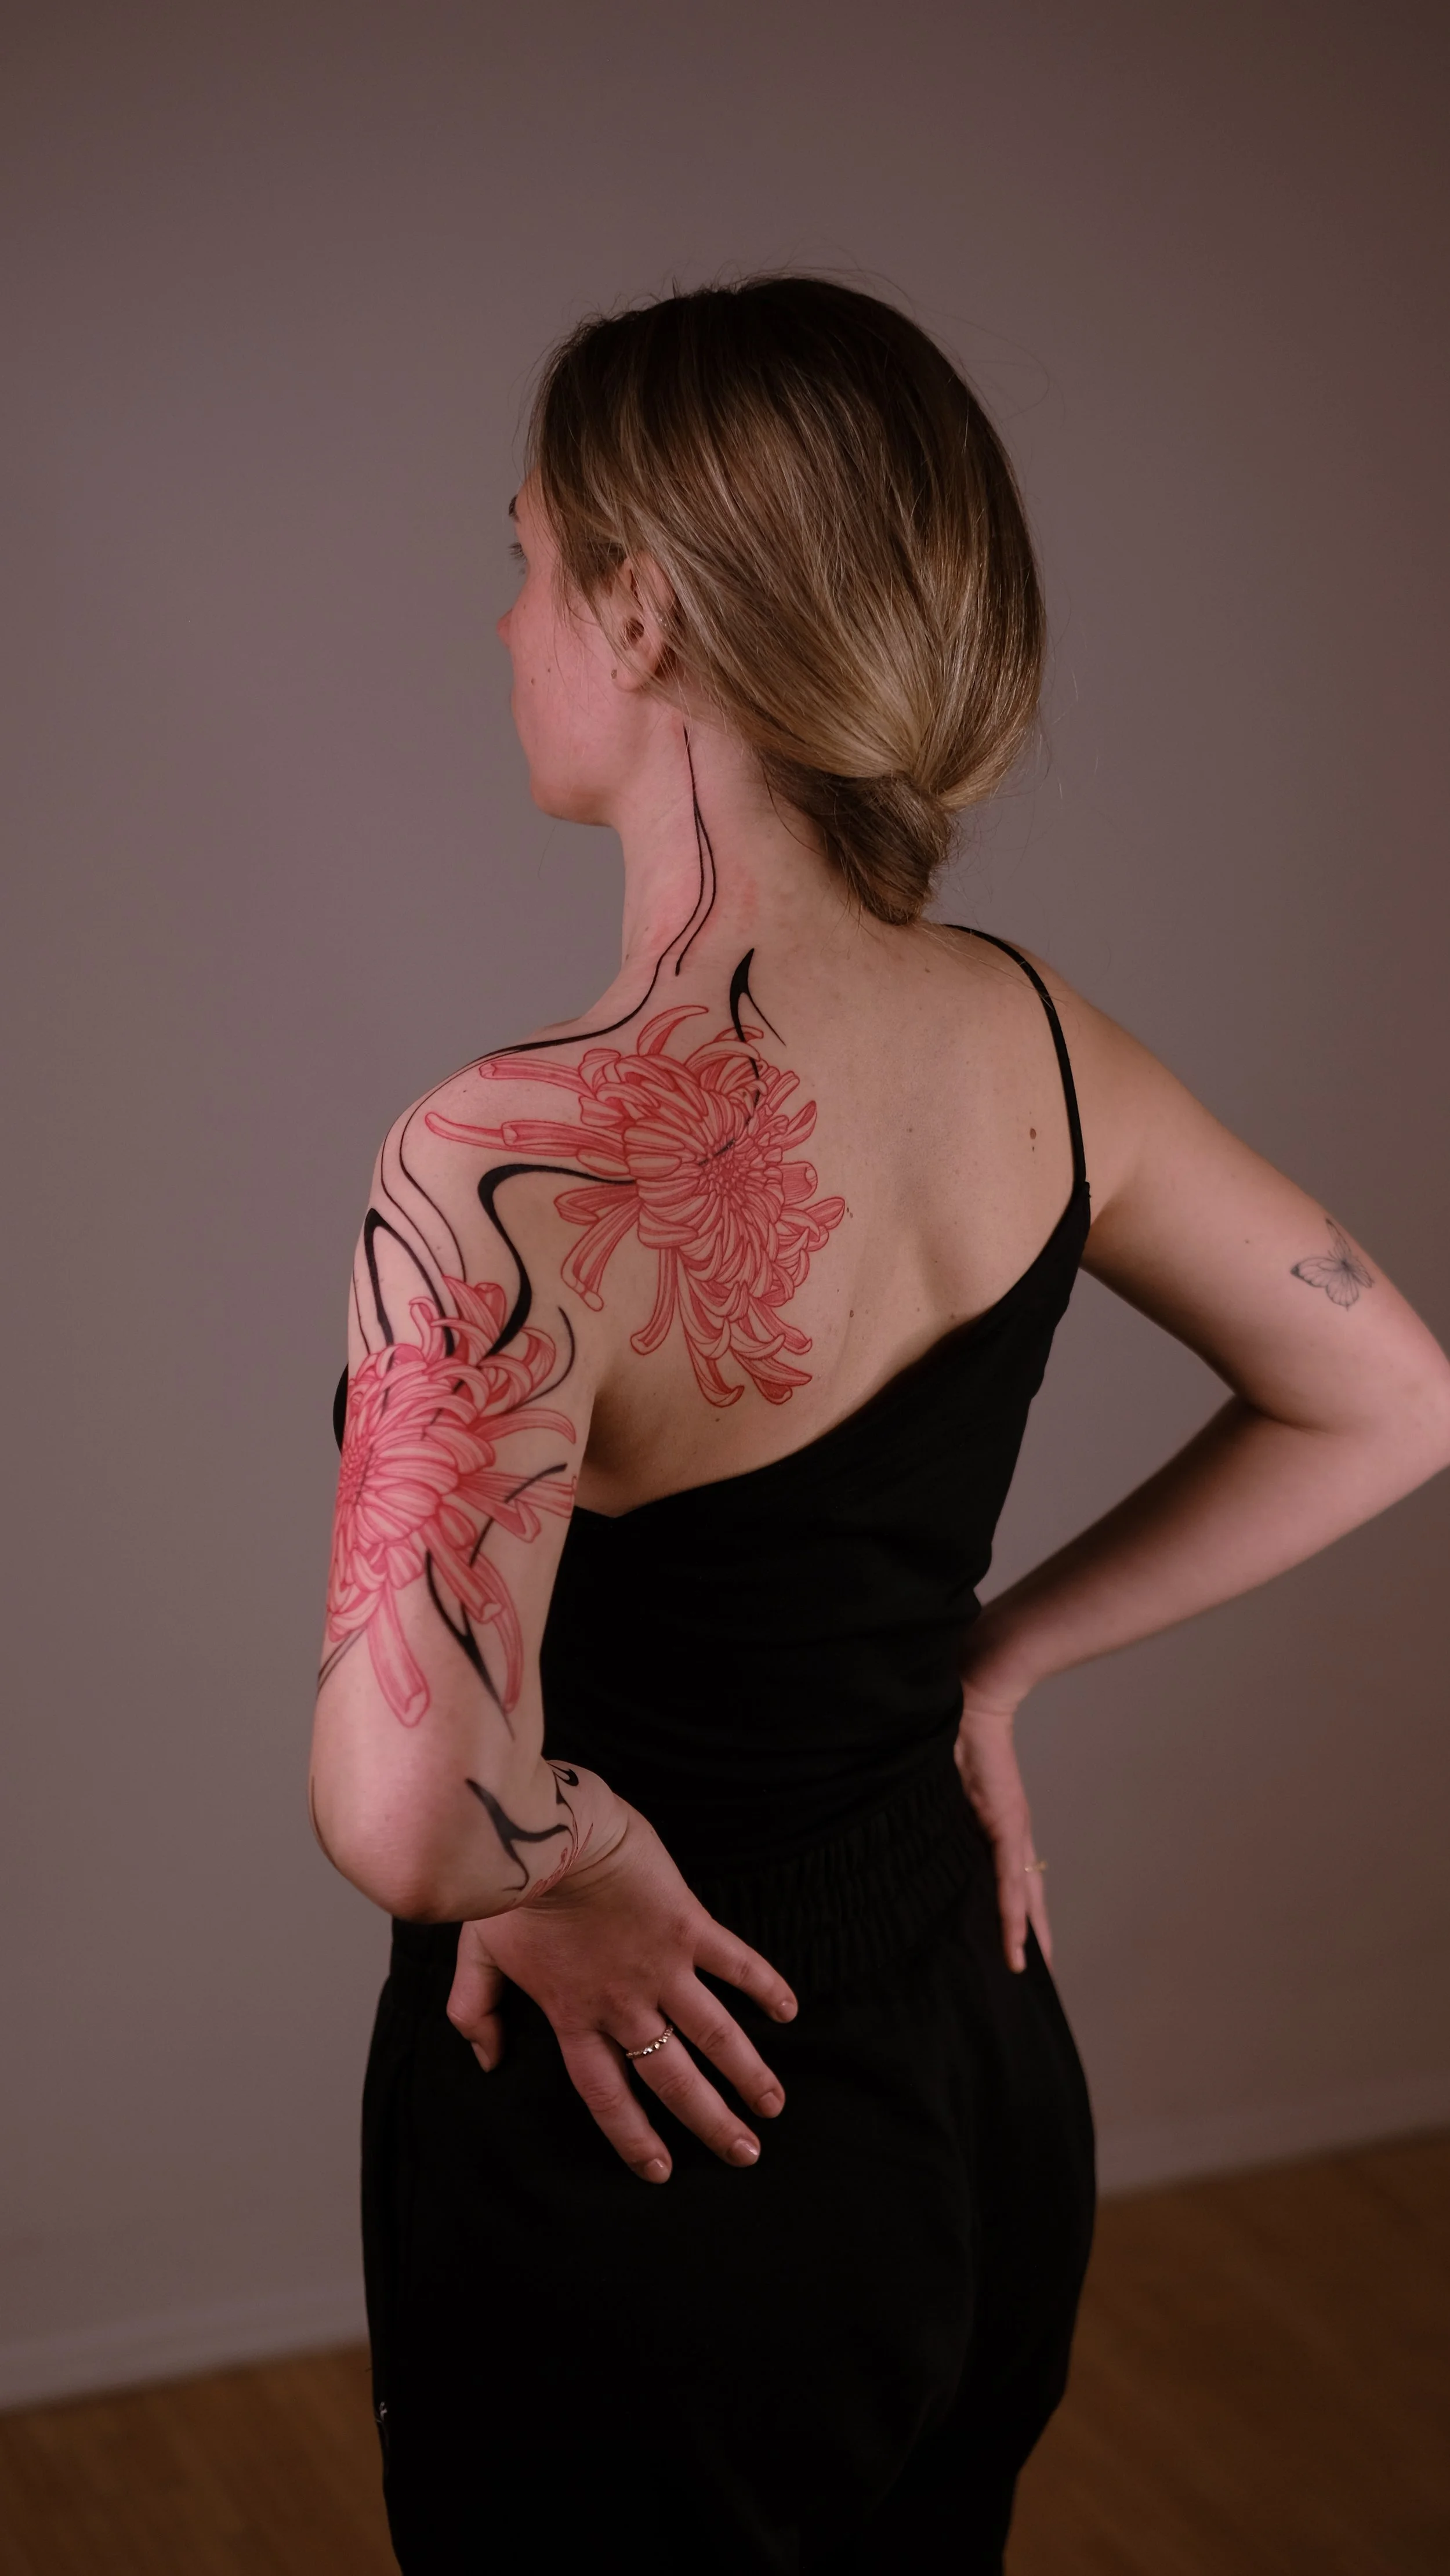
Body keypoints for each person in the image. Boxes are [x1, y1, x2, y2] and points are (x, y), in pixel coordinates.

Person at [307, 277, 1450, 2574]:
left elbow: (413, 1807)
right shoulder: (1037, 1042)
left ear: (638, 616)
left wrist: (586, 1860)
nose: (504, 620)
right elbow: (1391, 1394)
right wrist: (988, 1656)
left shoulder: (504, 1154)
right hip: (969, 2075)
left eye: (526, 561)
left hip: (654, 2128)